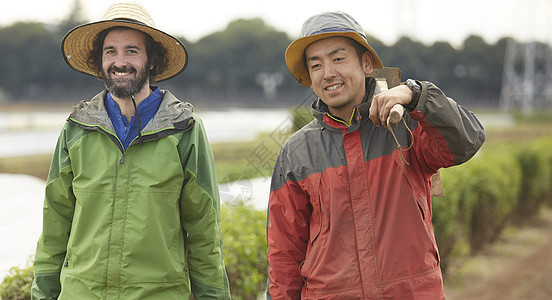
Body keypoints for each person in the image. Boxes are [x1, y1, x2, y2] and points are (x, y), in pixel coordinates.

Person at [266, 11, 485, 299]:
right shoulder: (296, 152)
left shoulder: (407, 125)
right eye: (316, 64)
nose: (328, 72)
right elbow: (284, 253)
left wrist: (416, 95)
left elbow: (467, 141)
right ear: (309, 76)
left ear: (366, 63)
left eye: (338, 58)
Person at [31, 2, 231, 299]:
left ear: (152, 60)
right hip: (82, 293)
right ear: (100, 60)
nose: (119, 61)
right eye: (110, 51)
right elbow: (55, 222)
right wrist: (43, 294)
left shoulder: (185, 129)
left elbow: (204, 231)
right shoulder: (76, 128)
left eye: (132, 51)